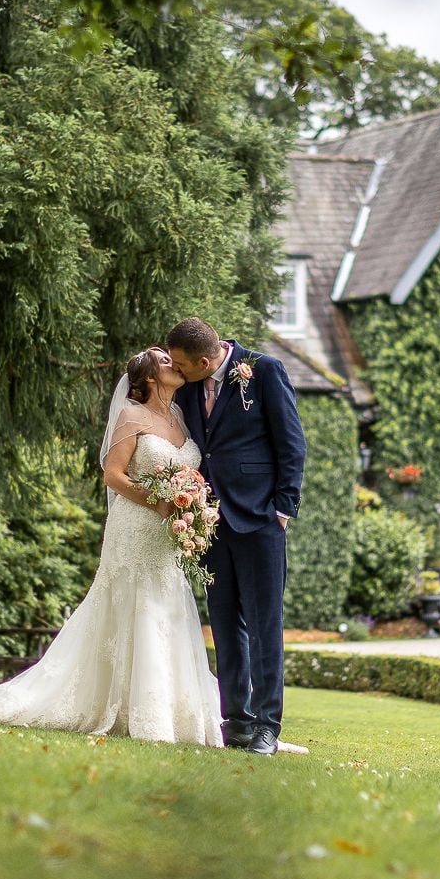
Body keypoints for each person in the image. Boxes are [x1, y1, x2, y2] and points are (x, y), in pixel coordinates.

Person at [0, 348, 223, 745]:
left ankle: (172, 712)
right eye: (164, 362)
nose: (173, 365)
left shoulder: (180, 417)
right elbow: (112, 475)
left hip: (166, 534)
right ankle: (134, 712)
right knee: (135, 603)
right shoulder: (132, 416)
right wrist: (158, 501)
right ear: (148, 378)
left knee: (165, 605)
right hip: (134, 527)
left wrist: (190, 504)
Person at [166, 317, 306, 756]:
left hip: (261, 520)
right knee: (225, 626)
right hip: (209, 522)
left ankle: (268, 726)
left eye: (184, 366)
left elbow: (292, 443)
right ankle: (237, 722)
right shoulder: (189, 385)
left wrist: (282, 510)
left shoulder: (263, 370)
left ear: (205, 360)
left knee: (265, 627)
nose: (178, 372)